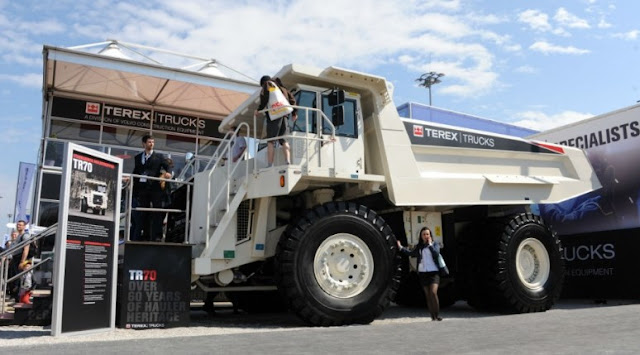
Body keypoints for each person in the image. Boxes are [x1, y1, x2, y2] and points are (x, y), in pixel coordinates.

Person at [397, 227, 444, 321]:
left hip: (434, 272)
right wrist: (401, 247)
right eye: (424, 234)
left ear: (430, 235)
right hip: (423, 273)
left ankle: (437, 315)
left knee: (433, 293)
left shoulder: (435, 244)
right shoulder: (419, 247)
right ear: (421, 236)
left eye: (427, 234)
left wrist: (430, 245)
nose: (426, 236)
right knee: (428, 295)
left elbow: (436, 254)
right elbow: (411, 253)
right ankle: (432, 317)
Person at [131, 135, 171, 242]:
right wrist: (130, 178)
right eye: (149, 142)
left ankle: (157, 235)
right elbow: (136, 171)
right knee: (144, 212)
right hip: (142, 189)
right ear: (144, 144)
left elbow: (167, 166)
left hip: (154, 188)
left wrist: (168, 173)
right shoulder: (138, 157)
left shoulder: (159, 156)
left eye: (153, 142)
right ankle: (145, 234)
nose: (151, 144)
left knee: (156, 211)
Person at [254, 75, 297, 167]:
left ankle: (270, 164)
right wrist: (294, 113)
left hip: (274, 115)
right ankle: (288, 161)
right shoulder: (282, 88)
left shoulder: (268, 84)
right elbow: (292, 100)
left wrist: (259, 109)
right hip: (284, 115)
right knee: (284, 140)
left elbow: (265, 98)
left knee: (270, 141)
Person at [13, 220, 35, 304]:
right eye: (18, 225)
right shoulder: (19, 236)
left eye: (20, 225)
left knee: (25, 279)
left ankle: (24, 298)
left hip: (22, 259)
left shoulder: (25, 236)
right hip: (17, 259)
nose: (18, 226)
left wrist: (22, 261)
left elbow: (26, 249)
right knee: (19, 280)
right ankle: (19, 298)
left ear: (24, 226)